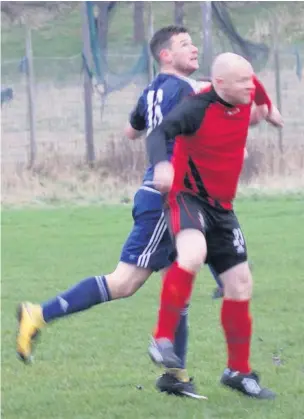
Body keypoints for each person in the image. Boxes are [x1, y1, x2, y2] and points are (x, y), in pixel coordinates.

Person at [16, 25, 220, 399]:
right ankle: (37, 314)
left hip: (169, 195)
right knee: (124, 282)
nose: (194, 49)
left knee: (180, 282)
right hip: (165, 198)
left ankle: (176, 375)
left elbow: (131, 130)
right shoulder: (186, 89)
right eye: (184, 45)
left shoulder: (153, 90)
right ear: (165, 55)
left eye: (194, 43)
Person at [145, 52, 283, 400]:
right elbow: (159, 133)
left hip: (223, 208)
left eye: (251, 79)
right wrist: (162, 165)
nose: (250, 86)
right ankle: (162, 338)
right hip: (188, 198)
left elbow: (259, 88)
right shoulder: (196, 108)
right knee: (193, 254)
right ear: (218, 84)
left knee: (240, 283)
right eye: (242, 81)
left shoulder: (246, 88)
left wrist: (269, 110)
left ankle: (238, 371)